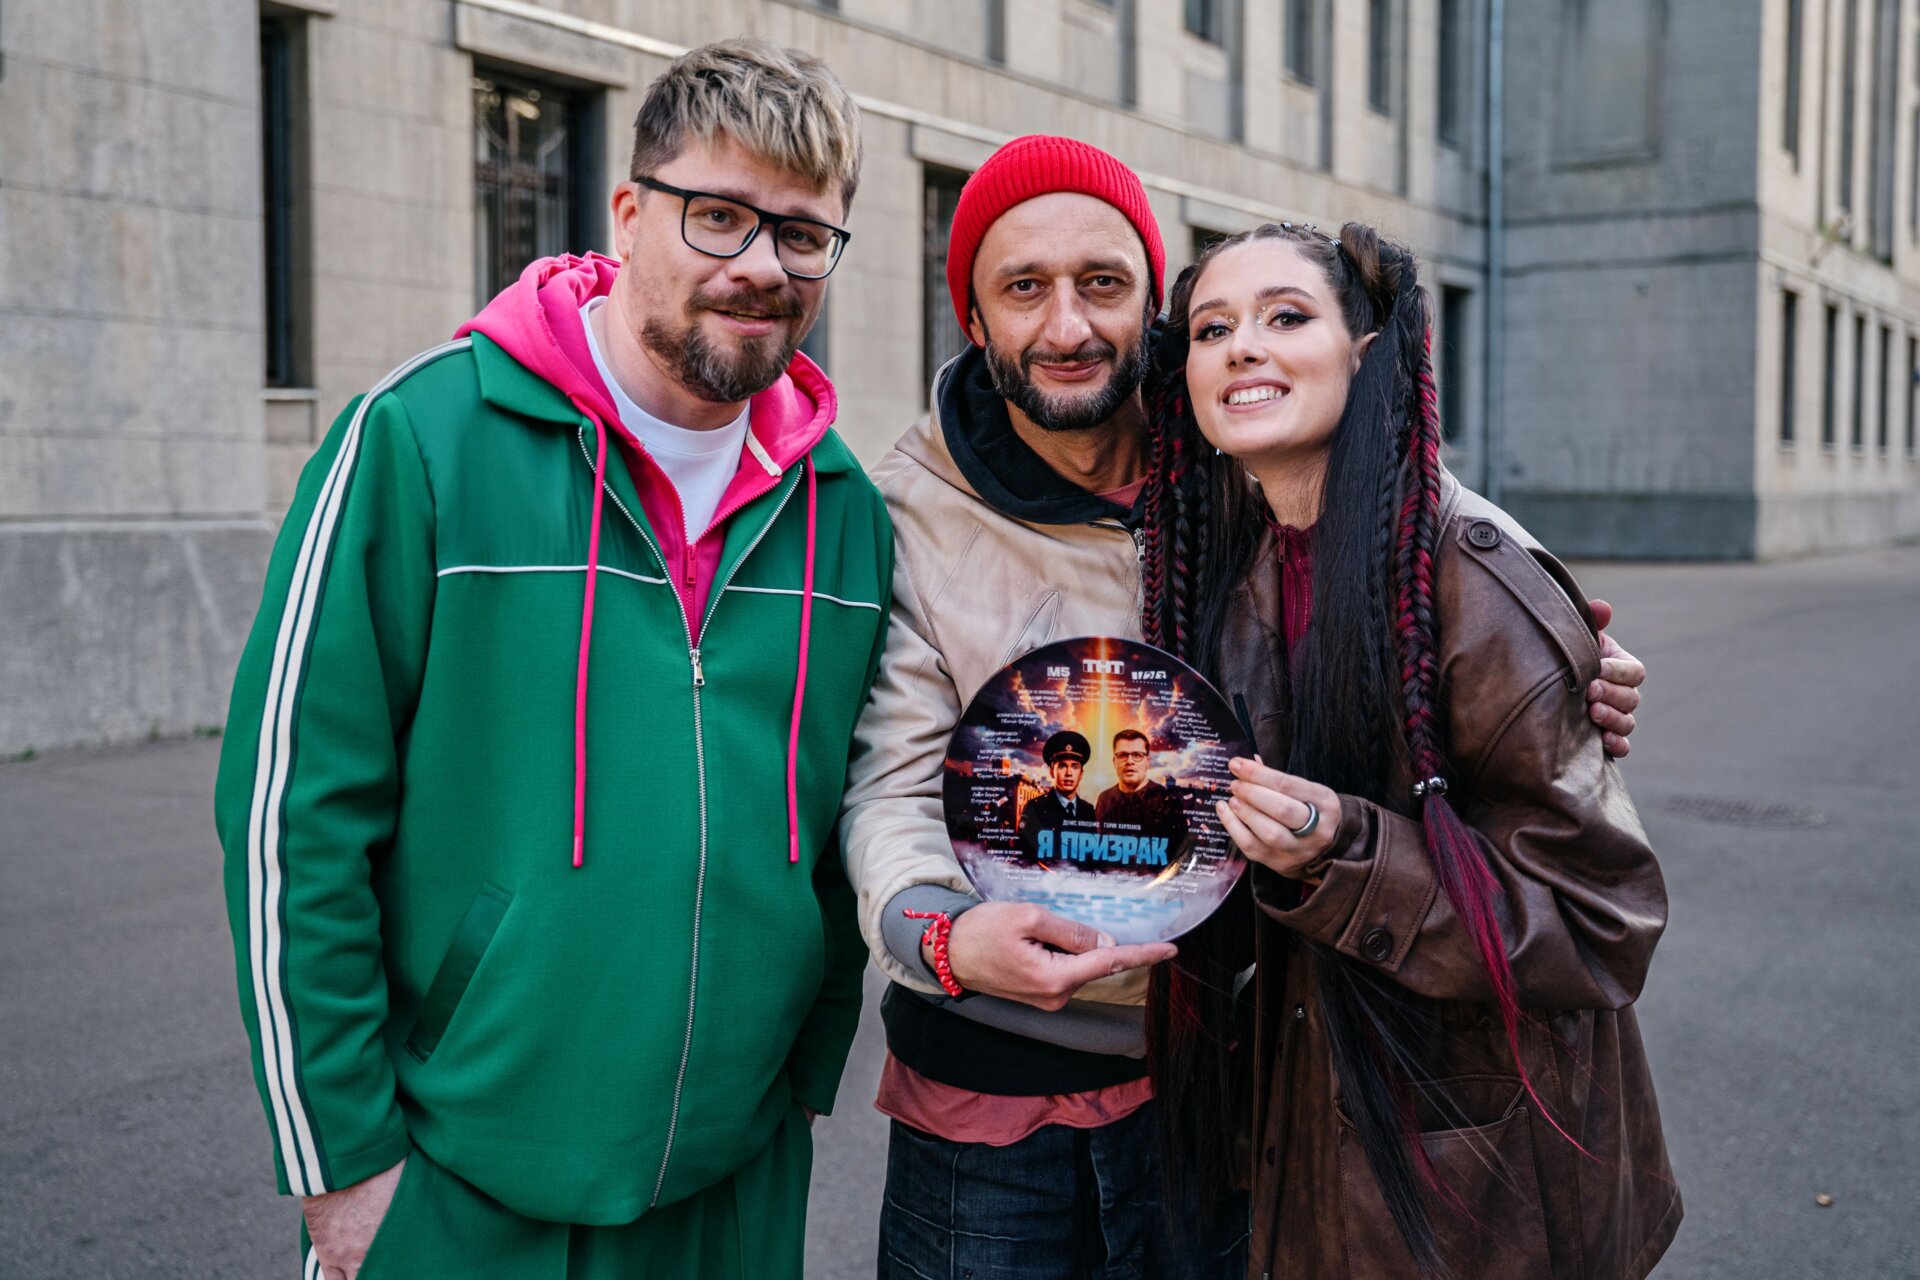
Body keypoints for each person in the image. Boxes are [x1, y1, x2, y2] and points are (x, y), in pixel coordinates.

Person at [838, 135, 1648, 1280]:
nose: (1067, 325)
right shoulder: (905, 506)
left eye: (1102, 283)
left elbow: (1412, 539)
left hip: (1232, 1069)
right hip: (987, 1083)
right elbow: (890, 786)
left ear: (1150, 310)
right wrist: (940, 933)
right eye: (1024, 287)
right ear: (972, 317)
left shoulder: (1244, 453)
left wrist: (1553, 657)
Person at [214, 39, 890, 1280]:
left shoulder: (843, 507)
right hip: (458, 1185)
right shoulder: (420, 438)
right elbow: (291, 823)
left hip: (732, 1187)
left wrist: (803, 1077)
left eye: (803, 235)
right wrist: (340, 1167)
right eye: (720, 216)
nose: (761, 266)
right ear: (629, 213)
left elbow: (851, 811)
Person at [1138, 221, 1680, 1278]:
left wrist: (1342, 852)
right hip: (1317, 1144)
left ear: (1366, 349)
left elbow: (1599, 923)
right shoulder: (1237, 572)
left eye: (1285, 316)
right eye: (1212, 329)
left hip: (1483, 1183)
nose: (1243, 346)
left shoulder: (1471, 574)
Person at [1092, 728, 1189, 862]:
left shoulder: (1167, 800)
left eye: (1137, 755)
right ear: (1114, 761)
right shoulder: (1104, 799)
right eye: (1123, 755)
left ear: (1147, 762)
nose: (1129, 761)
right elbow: (1098, 844)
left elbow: (1180, 854)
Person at [1018, 729, 1099, 862]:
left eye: (1075, 767)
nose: (1069, 773)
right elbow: (1026, 858)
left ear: (1081, 774)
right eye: (1062, 766)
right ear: (1052, 771)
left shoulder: (1088, 810)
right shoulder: (1035, 808)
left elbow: (1092, 856)